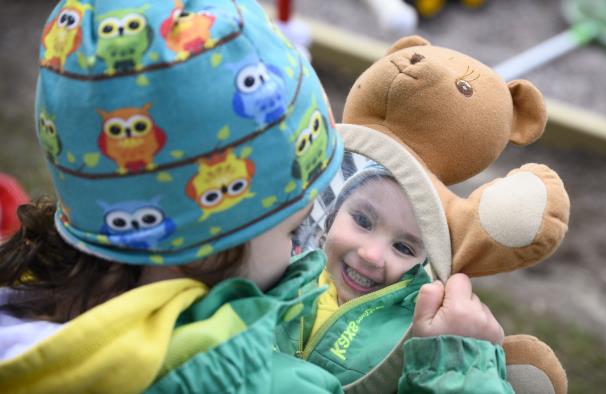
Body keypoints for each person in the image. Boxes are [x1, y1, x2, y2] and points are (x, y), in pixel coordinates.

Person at [1, 1, 509, 392]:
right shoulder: (266, 381)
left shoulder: (27, 297)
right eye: (293, 231)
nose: (303, 249)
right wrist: (459, 371)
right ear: (215, 243)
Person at [276, 164, 511, 392]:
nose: (371, 255)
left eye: (403, 247)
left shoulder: (417, 337)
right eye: (363, 221)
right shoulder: (280, 274)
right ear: (333, 215)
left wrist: (454, 364)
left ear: (422, 266)